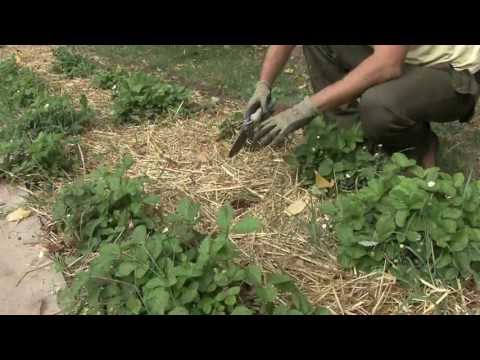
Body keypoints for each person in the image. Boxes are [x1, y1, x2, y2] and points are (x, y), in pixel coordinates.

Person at [246, 45, 480, 168]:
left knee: (379, 105)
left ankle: (418, 149)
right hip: (403, 56)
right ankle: (354, 148)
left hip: (453, 73)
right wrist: (264, 84)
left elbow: (388, 65)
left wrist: (304, 109)